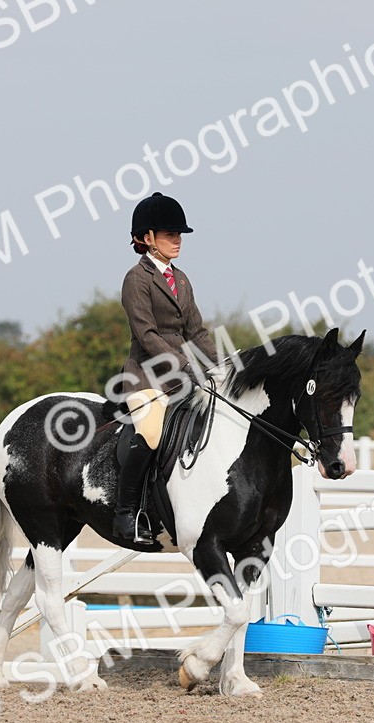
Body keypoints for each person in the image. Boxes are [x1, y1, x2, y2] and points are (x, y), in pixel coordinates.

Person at [113, 192, 219, 544]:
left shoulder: (182, 279)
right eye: (170, 234)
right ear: (147, 238)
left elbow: (196, 331)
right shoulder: (136, 279)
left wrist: (221, 366)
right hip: (146, 376)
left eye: (179, 235)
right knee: (151, 431)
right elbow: (147, 335)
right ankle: (126, 513)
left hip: (180, 377)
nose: (178, 241)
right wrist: (185, 364)